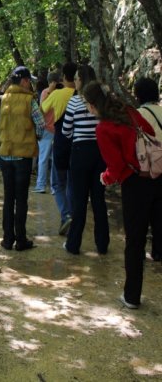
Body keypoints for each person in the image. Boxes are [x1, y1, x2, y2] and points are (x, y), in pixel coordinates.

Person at [82, 81, 161, 309]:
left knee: (135, 242)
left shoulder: (104, 129)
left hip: (135, 184)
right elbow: (149, 133)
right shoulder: (131, 111)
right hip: (157, 174)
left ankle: (132, 296)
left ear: (92, 105)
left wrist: (104, 178)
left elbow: (115, 168)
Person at [0, 66, 44, 251]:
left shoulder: (0, 100)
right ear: (25, 81)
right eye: (30, 81)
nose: (31, 84)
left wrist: (2, 138)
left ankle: (7, 239)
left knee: (8, 198)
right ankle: (21, 240)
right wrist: (33, 138)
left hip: (5, 156)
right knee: (21, 199)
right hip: (24, 157)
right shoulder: (31, 101)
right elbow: (41, 125)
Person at [61, 64, 109, 255]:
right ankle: (102, 244)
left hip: (80, 152)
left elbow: (66, 131)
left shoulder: (74, 102)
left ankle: (73, 245)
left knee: (79, 201)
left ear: (82, 80)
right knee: (99, 199)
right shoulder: (103, 101)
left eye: (77, 79)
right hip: (100, 152)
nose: (75, 82)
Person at [40, 62, 77, 235]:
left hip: (61, 140)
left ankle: (66, 214)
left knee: (56, 182)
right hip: (79, 143)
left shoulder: (58, 94)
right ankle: (72, 215)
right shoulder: (83, 95)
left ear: (63, 77)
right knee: (71, 181)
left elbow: (43, 108)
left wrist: (51, 90)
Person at [134, 76, 162, 261]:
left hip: (146, 169)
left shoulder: (138, 115)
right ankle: (159, 251)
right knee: (160, 212)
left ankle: (139, 251)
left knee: (142, 212)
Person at [33, 71, 61, 193]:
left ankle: (45, 186)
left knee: (47, 159)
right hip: (52, 130)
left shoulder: (51, 92)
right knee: (49, 159)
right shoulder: (51, 92)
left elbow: (42, 110)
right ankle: (48, 186)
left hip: (51, 129)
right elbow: (44, 109)